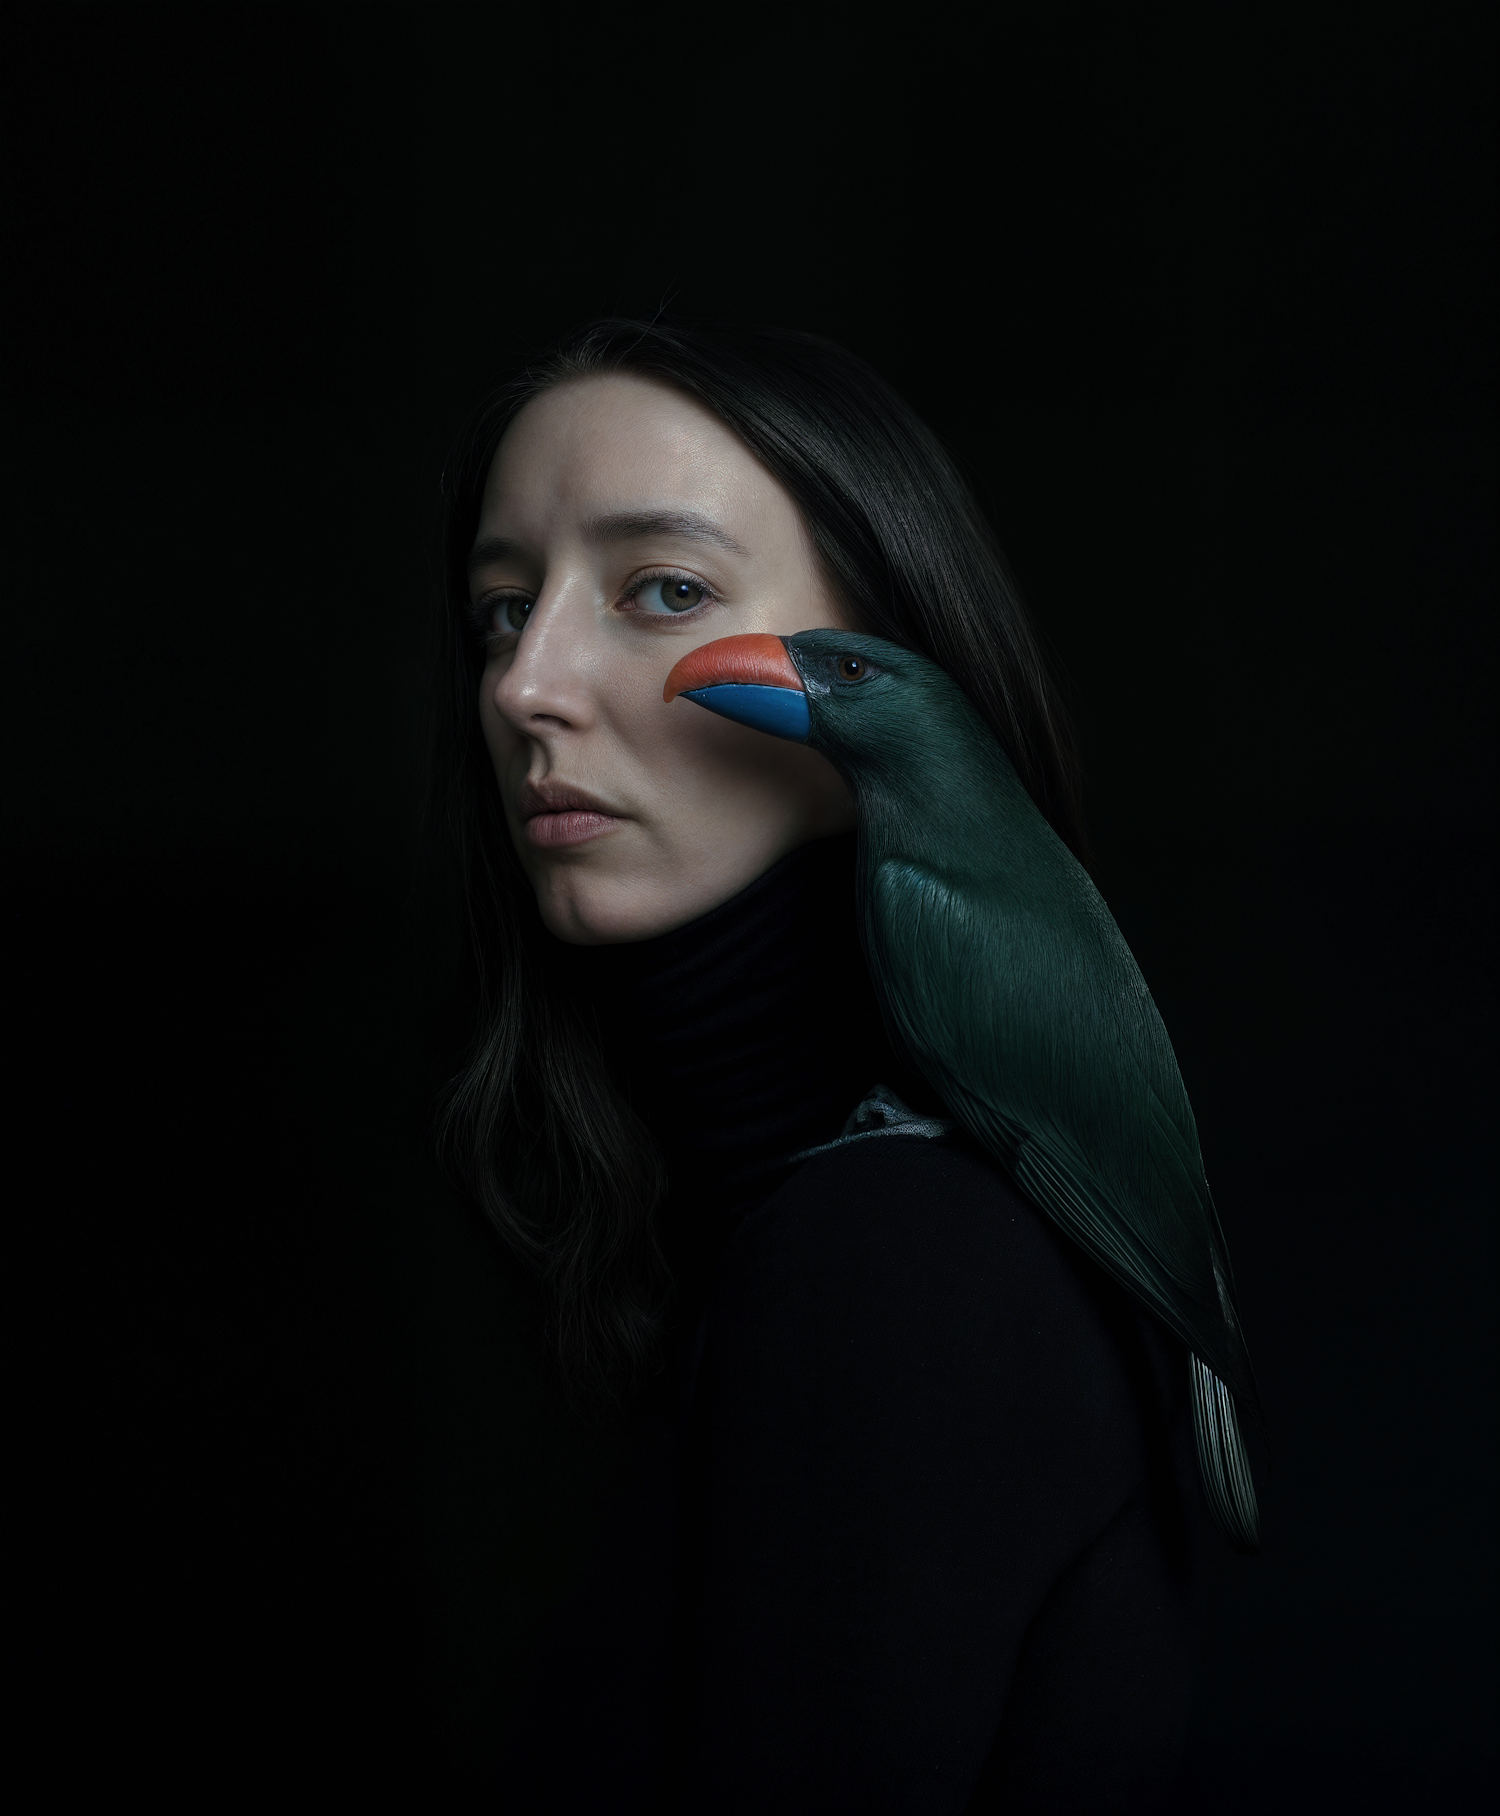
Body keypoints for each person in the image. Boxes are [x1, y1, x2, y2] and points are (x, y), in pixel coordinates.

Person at [426, 321, 1203, 1812]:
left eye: (666, 591)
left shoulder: (902, 1256)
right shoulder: (722, 1239)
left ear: (898, 660)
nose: (528, 684)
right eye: (502, 608)